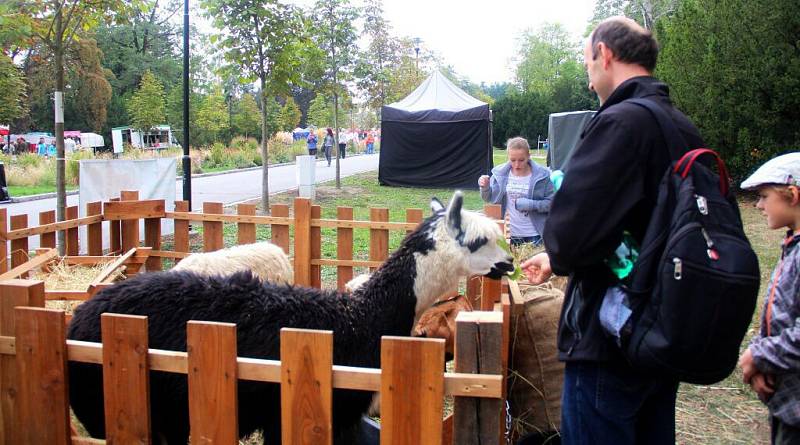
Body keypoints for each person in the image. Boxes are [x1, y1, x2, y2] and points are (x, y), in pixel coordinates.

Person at [520, 17, 705, 444]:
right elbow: (645, 222)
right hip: (662, 327)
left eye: (587, 63)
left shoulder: (620, 122)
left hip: (611, 338)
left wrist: (559, 248)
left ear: (605, 54)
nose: (588, 80)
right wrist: (557, 258)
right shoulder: (680, 125)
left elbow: (571, 232)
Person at [737, 153, 800, 445]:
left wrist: (759, 356)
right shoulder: (792, 244)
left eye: (764, 196)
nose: (759, 205)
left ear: (793, 194)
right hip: (787, 401)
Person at [478, 137, 553, 246]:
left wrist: (531, 204)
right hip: (509, 234)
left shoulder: (542, 176)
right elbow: (489, 198)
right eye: (513, 160)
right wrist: (484, 187)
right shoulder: (501, 174)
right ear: (508, 157)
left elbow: (553, 203)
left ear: (528, 156)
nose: (517, 165)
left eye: (521, 160)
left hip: (535, 235)